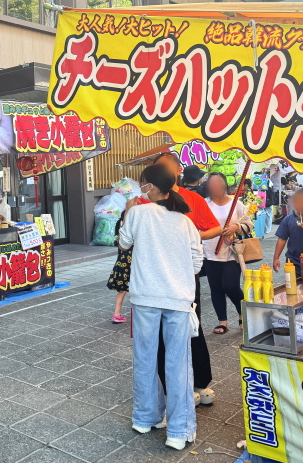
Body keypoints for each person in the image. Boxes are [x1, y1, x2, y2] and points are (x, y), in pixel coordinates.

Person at [119, 164, 202, 450]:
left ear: (149, 187)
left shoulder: (138, 214)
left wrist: (129, 208)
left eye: (143, 184)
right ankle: (178, 431)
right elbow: (197, 262)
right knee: (178, 363)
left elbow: (123, 243)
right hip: (178, 298)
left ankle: (144, 417)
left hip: (144, 297)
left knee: (144, 357)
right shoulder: (185, 221)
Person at [154, 152, 220, 406]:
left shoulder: (192, 198)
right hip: (157, 275)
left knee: (192, 324)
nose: (163, 172)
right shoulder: (145, 202)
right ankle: (171, 385)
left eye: (167, 167)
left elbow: (214, 227)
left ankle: (200, 381)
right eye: (158, 168)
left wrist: (191, 236)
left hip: (186, 273)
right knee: (162, 330)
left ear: (179, 170)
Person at [203, 173, 252, 334]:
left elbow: (248, 223)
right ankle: (222, 321)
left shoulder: (235, 203)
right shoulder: (205, 204)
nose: (216, 186)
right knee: (215, 287)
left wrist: (235, 227)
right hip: (210, 251)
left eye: (219, 183)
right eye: (212, 183)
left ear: (225, 184)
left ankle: (243, 314)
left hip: (232, 252)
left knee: (230, 285)